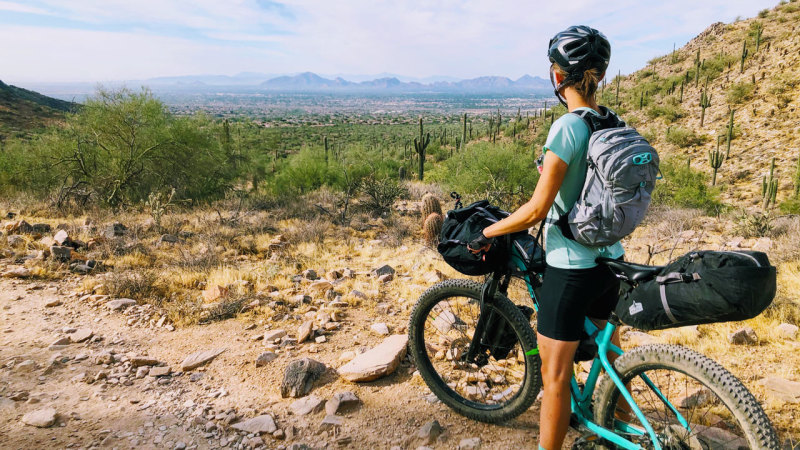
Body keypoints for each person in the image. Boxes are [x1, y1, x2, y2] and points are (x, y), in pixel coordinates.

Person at [468, 25, 625, 449]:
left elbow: (538, 209)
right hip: (612, 261)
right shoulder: (614, 122)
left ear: (559, 77)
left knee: (554, 376)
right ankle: (619, 429)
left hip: (571, 268)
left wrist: (489, 230)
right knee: (608, 356)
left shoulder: (567, 128)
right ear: (600, 75)